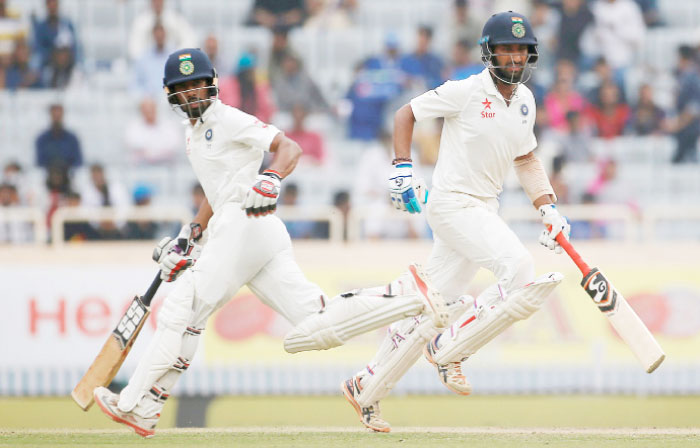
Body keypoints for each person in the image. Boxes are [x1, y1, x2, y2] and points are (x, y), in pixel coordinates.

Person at [92, 48, 448, 438]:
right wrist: (191, 232)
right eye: (184, 88)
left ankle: (136, 404)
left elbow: (288, 148)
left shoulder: (227, 118)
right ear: (171, 95)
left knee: (183, 308)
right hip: (248, 230)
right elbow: (217, 189)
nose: (193, 94)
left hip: (247, 221)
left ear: (211, 84)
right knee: (314, 325)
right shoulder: (192, 134)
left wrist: (271, 177)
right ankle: (408, 296)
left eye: (198, 85)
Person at [339, 12, 570, 432]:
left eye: (521, 49)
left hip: (484, 208)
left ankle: (365, 385)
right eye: (506, 48)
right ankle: (450, 348)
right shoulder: (466, 90)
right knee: (519, 270)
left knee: (431, 310)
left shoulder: (525, 101)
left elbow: (526, 158)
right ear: (489, 52)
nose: (515, 57)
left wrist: (548, 208)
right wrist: (403, 169)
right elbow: (404, 114)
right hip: (451, 205)